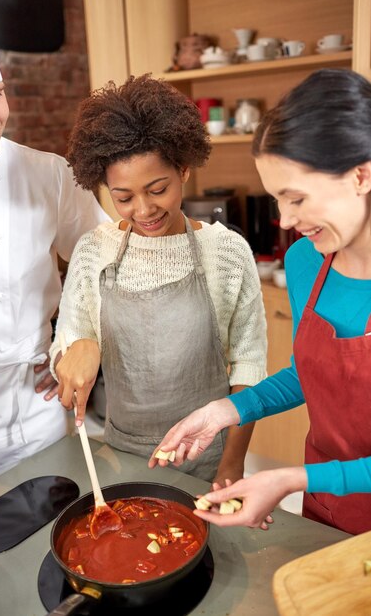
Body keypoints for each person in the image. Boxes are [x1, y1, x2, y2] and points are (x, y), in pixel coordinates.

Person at [150, 67, 371, 535]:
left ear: (361, 174)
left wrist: (290, 479)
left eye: (297, 199)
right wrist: (226, 411)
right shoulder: (306, 262)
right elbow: (311, 372)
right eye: (277, 201)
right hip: (329, 506)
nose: (287, 220)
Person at [50, 73, 267, 484]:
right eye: (124, 197)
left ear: (184, 169)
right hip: (123, 454)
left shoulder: (227, 253)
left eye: (157, 188)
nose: (144, 209)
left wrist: (232, 463)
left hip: (207, 454)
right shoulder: (94, 251)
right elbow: (69, 348)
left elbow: (249, 367)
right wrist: (75, 348)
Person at [0, 0, 109, 495]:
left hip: (45, 417)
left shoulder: (45, 173)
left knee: (53, 550)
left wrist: (79, 336)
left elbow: (107, 259)